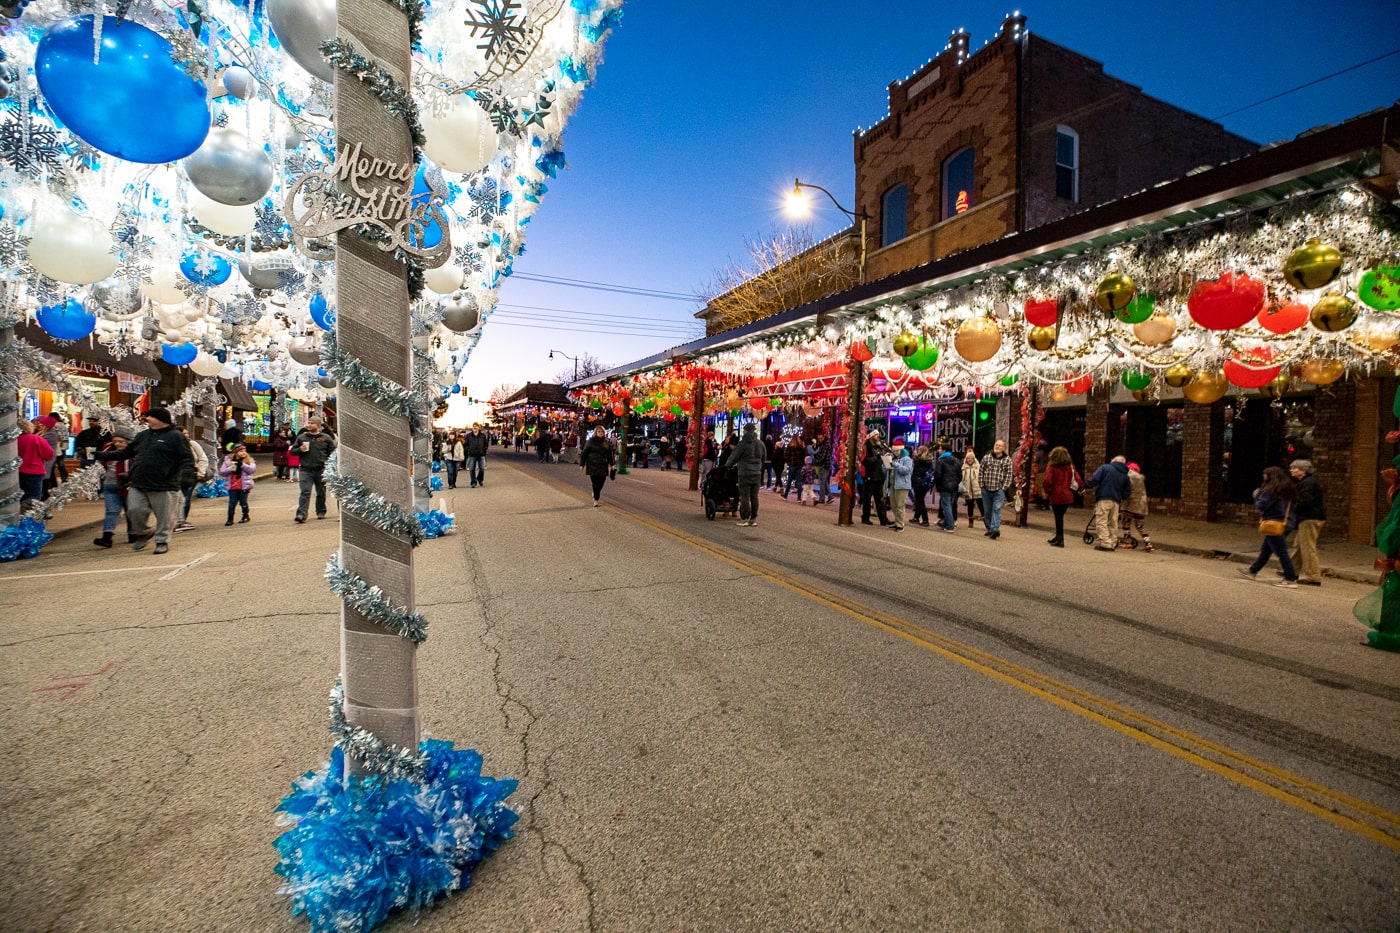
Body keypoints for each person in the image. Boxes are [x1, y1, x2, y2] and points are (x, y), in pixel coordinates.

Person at [96, 407, 192, 555]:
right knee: (134, 511)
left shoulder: (175, 436)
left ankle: (162, 541)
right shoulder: (142, 436)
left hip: (164, 485)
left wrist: (186, 477)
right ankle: (144, 532)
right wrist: (104, 455)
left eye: (150, 417)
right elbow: (127, 453)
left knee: (164, 517)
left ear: (161, 419)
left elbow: (186, 457)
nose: (147, 419)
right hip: (139, 482)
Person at [1241, 466, 1300, 587]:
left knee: (1281, 552)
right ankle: (1252, 571)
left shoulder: (1271, 490)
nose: (1263, 476)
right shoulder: (1289, 489)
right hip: (1287, 522)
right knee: (1266, 550)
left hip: (1273, 523)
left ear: (1270, 476)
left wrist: (1256, 496)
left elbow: (1261, 505)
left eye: (1265, 474)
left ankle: (1290, 578)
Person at [93, 426, 135, 548]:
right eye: (115, 441)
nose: (117, 444)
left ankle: (132, 533)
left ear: (128, 441)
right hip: (110, 486)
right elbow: (100, 465)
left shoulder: (133, 452)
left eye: (121, 441)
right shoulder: (107, 450)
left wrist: (129, 477)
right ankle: (107, 536)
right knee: (111, 511)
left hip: (127, 487)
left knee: (130, 512)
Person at [1289, 459, 1326, 586]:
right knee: (1299, 545)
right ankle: (1291, 570)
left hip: (1310, 518)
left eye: (1295, 468)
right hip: (1310, 517)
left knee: (1307, 547)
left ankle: (1313, 576)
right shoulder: (1307, 482)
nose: (1292, 470)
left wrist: (1294, 507)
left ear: (1303, 471)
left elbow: (1306, 501)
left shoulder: (1307, 484)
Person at [293, 418, 336, 523]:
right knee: (305, 492)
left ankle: (321, 511)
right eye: (309, 423)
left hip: (321, 469)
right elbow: (293, 451)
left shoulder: (325, 438)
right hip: (305, 469)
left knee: (321, 492)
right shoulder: (302, 437)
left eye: (312, 423)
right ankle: (301, 514)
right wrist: (299, 450)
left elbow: (333, 452)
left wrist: (330, 464)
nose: (309, 425)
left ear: (318, 425)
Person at [724, 421, 766, 526]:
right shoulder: (760, 443)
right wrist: (759, 467)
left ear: (746, 431)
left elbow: (734, 457)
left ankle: (745, 518)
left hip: (745, 472)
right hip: (756, 473)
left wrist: (727, 466)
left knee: (745, 496)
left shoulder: (742, 444)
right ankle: (753, 518)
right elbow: (764, 457)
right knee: (754, 496)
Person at [1085, 455, 1131, 551]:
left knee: (1101, 521)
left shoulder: (1105, 468)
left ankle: (1106, 543)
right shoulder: (1125, 475)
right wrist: (1120, 497)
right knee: (1113, 522)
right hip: (1116, 501)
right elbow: (1127, 492)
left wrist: (1085, 486)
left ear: (1114, 460)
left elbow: (1094, 479)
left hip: (1104, 498)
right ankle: (1113, 541)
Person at [174, 427, 209, 534]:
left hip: (190, 475)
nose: (186, 436)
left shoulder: (193, 444)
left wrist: (200, 473)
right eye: (184, 434)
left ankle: (181, 521)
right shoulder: (172, 446)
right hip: (174, 476)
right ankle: (175, 521)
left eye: (187, 434)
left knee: (185, 497)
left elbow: (203, 458)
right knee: (175, 499)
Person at [1042, 446, 1078, 548]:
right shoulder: (1071, 467)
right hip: (1068, 496)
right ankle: (1058, 537)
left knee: (1058, 517)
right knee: (1060, 517)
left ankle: (1060, 538)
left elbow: (1047, 481)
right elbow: (1078, 479)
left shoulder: (1051, 468)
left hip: (1056, 496)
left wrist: (1048, 492)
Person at [979, 439, 1014, 540]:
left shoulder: (1007, 460)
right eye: (996, 445)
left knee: (996, 509)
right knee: (987, 511)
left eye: (1000, 446)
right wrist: (981, 485)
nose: (997, 447)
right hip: (986, 489)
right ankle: (990, 528)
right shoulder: (987, 458)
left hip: (999, 490)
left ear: (1003, 448)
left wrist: (1003, 488)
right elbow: (981, 471)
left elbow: (1008, 475)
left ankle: (995, 529)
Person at [17, 420, 53, 506]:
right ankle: (30, 517)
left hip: (18, 471)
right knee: (34, 497)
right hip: (35, 471)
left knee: (19, 496)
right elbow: (49, 455)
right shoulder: (36, 439)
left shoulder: (13, 441)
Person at [860, 429, 891, 526]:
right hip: (870, 476)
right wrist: (876, 458)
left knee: (880, 499)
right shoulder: (867, 447)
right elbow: (864, 460)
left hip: (880, 476)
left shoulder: (880, 446)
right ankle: (865, 517)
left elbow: (885, 459)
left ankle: (883, 519)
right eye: (876, 434)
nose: (878, 436)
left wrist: (887, 458)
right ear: (870, 436)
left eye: (878, 434)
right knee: (867, 498)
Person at [220, 443, 256, 525]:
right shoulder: (228, 461)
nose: (244, 452)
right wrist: (231, 468)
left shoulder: (249, 460)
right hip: (232, 485)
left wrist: (242, 465)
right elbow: (222, 472)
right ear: (235, 453)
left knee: (243, 502)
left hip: (244, 485)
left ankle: (245, 516)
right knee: (232, 502)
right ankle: (230, 518)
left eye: (245, 451)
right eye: (241, 451)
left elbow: (252, 470)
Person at [1120, 461, 1153, 551]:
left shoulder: (1128, 477)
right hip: (1142, 504)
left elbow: (1125, 489)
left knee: (1126, 522)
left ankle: (1127, 542)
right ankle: (1148, 543)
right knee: (1140, 525)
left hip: (1131, 504)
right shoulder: (1140, 478)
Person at [580, 425, 615, 506]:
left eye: (602, 431)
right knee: (595, 482)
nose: (600, 433)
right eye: (599, 431)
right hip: (593, 464)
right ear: (596, 432)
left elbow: (610, 454)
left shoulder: (607, 442)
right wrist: (582, 464)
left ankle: (595, 493)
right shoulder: (590, 441)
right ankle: (596, 499)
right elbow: (584, 453)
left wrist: (612, 464)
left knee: (601, 482)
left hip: (603, 464)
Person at [934, 446, 963, 533]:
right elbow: (960, 475)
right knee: (950, 505)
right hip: (954, 486)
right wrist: (955, 482)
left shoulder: (940, 461)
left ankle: (950, 526)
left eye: (939, 449)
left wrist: (937, 484)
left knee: (946, 506)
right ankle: (947, 524)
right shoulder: (956, 460)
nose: (938, 451)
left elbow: (938, 475)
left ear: (944, 450)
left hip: (944, 486)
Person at [890, 446, 914, 531]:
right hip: (893, 484)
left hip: (902, 485)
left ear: (901, 450)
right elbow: (886, 471)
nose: (895, 452)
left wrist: (896, 464)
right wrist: (885, 464)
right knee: (893, 505)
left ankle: (900, 525)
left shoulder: (907, 459)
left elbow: (906, 470)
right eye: (894, 451)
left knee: (900, 506)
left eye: (897, 450)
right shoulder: (893, 458)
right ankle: (897, 522)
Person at [911, 445, 934, 526]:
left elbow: (917, 471)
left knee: (920, 501)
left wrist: (915, 460)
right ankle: (916, 517)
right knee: (919, 500)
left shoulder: (919, 461)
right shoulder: (929, 461)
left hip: (918, 482)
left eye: (918, 450)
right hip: (926, 483)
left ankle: (925, 519)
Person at [961, 447, 984, 529]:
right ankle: (971, 521)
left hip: (977, 490)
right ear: (966, 459)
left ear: (974, 459)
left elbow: (982, 477)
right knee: (970, 506)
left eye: (971, 458)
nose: (970, 459)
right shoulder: (963, 468)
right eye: (968, 458)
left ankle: (986, 521)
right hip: (968, 491)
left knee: (981, 506)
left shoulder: (978, 467)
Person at [811, 429, 833, 505]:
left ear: (823, 437)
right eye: (819, 438)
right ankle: (830, 496)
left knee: (822, 482)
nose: (820, 440)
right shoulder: (821, 444)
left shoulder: (825, 444)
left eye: (821, 438)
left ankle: (822, 499)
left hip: (824, 465)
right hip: (824, 465)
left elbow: (822, 456)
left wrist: (816, 460)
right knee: (824, 481)